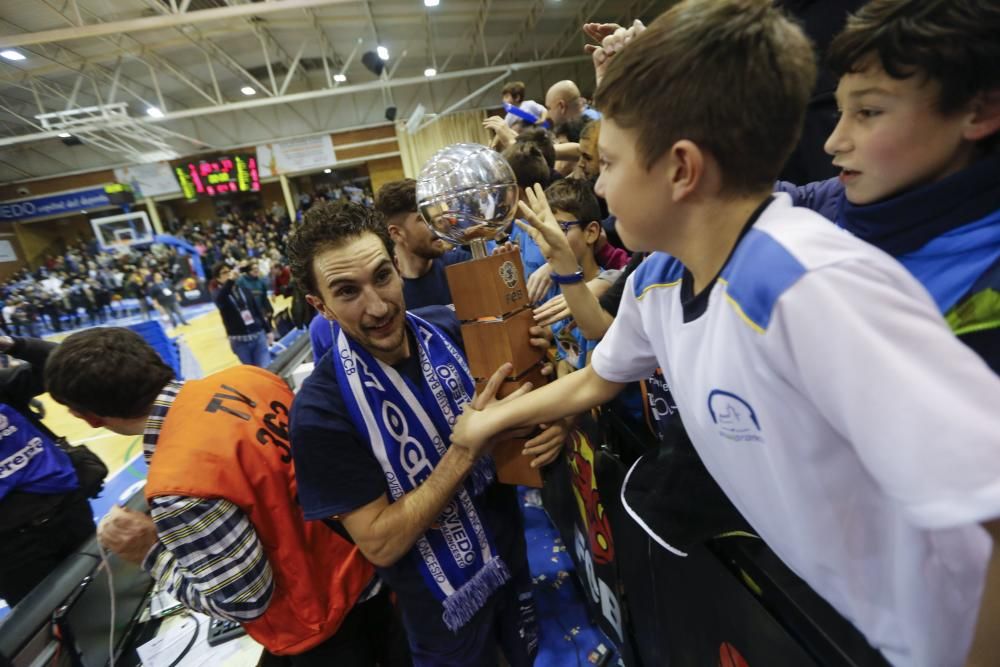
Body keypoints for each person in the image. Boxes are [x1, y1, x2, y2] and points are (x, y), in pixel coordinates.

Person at [451, 3, 1000, 666]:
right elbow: (600, 375)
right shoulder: (659, 282)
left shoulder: (808, 286)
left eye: (612, 163)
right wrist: (487, 422)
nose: (597, 183)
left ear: (681, 169)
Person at [286, 201, 565, 666]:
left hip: (513, 559)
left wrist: (549, 397)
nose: (376, 306)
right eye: (347, 291)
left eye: (381, 276)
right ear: (322, 307)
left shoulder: (452, 327)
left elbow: (532, 400)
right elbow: (379, 542)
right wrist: (465, 450)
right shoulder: (319, 412)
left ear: (397, 266)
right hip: (444, 614)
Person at [44, 327, 408, 666]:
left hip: (324, 627)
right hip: (368, 572)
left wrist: (150, 553)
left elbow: (245, 601)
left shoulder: (179, 482)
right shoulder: (251, 378)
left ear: (89, 418)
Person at [775, 0, 1000, 372]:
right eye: (839, 112)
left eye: (868, 112)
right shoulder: (839, 201)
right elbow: (741, 201)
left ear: (981, 113)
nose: (834, 142)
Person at [0, 335, 103, 606]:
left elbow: (64, 361)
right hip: (12, 549)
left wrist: (12, 344)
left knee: (111, 597)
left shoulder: (2, 385)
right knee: (51, 631)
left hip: (69, 513)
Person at [375, 179, 471, 310]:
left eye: (436, 216)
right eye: (424, 219)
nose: (439, 224)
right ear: (397, 233)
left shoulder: (461, 266)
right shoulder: (388, 293)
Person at [212, 262, 273, 367]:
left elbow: (257, 311)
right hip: (240, 342)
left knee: (266, 369)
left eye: (229, 271)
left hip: (258, 337)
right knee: (252, 372)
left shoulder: (244, 290)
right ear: (218, 279)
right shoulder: (218, 294)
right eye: (224, 272)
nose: (229, 274)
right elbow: (221, 299)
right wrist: (230, 281)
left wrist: (268, 330)